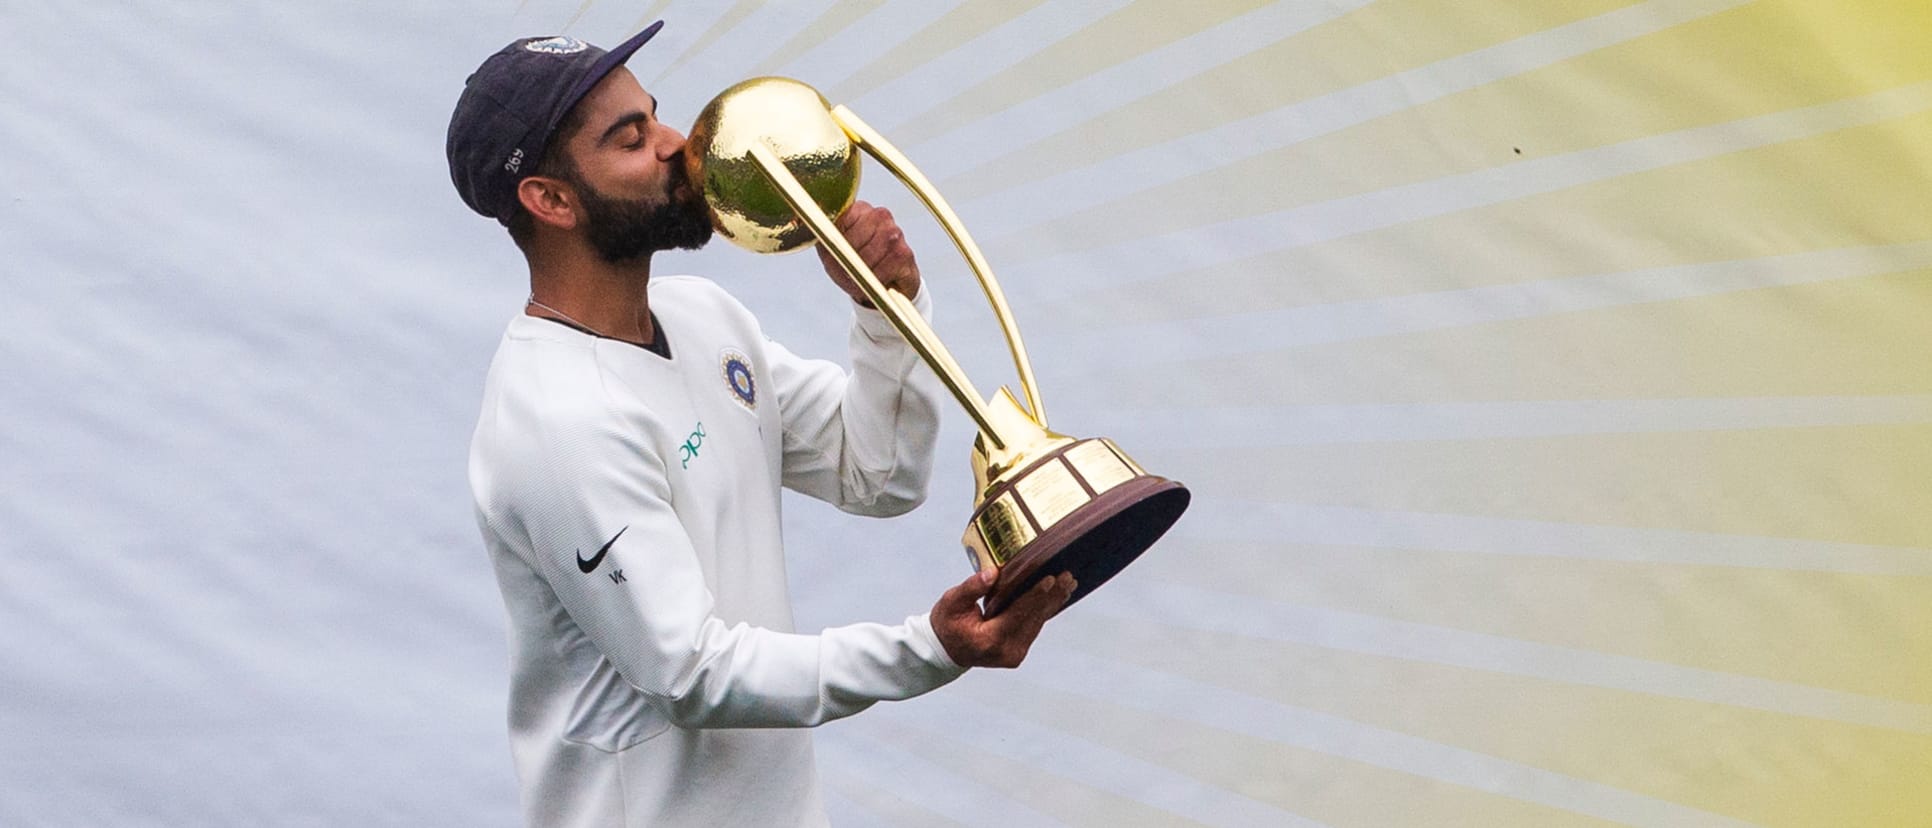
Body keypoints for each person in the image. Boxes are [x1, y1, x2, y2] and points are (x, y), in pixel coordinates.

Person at [446, 21, 1076, 828]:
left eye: (656, 114)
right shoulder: (555, 421)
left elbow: (876, 474)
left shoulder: (702, 317)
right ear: (552, 199)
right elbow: (692, 673)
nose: (679, 144)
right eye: (632, 138)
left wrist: (885, 309)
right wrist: (931, 649)